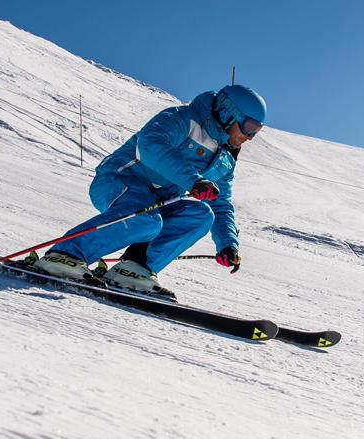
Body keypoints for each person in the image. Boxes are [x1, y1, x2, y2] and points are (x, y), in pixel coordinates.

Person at [31, 85, 267, 301]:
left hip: (160, 200)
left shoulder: (225, 159)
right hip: (120, 179)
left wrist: (228, 244)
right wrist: (194, 180)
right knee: (146, 220)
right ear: (227, 114)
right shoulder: (183, 118)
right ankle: (64, 256)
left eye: (256, 130)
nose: (250, 136)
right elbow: (150, 144)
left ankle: (134, 268)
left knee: (201, 214)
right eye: (248, 127)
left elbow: (220, 202)